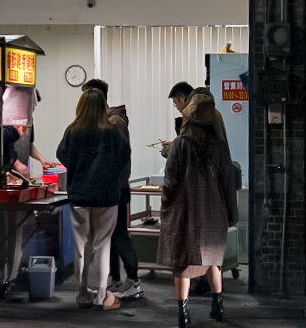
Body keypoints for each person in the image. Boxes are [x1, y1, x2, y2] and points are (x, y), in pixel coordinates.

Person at [158, 89, 239, 326]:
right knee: (214, 260)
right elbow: (228, 184)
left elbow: (170, 181)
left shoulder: (181, 144)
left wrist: (166, 208)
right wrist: (231, 215)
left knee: (182, 264)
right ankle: (218, 306)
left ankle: (183, 315)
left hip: (186, 211)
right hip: (214, 211)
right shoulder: (220, 146)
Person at [56, 87, 130, 311]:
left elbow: (62, 154)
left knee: (82, 246)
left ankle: (81, 293)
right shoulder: (112, 131)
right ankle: (100, 294)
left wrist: (79, 169)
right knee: (102, 245)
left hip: (80, 194)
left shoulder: (73, 130)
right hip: (107, 196)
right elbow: (124, 156)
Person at [81, 78, 143, 300]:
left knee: (119, 235)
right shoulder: (104, 121)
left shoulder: (115, 122)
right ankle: (115, 280)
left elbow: (117, 157)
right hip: (106, 189)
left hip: (115, 189)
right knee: (109, 236)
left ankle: (134, 281)